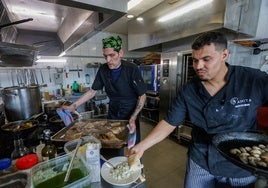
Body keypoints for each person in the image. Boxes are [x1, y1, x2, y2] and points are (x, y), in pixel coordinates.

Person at [126, 31, 268, 187]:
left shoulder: (253, 80)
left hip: (239, 164)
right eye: (195, 60)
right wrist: (141, 146)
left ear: (224, 54)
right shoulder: (189, 90)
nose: (198, 66)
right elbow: (169, 122)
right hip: (200, 159)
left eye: (206, 59)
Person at [63, 35, 147, 153]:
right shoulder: (103, 69)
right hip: (113, 113)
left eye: (112, 55)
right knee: (114, 145)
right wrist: (73, 106)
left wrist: (134, 116)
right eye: (105, 56)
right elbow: (92, 91)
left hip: (130, 114)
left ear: (120, 53)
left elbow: (142, 95)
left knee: (133, 149)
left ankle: (136, 169)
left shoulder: (131, 69)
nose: (108, 60)